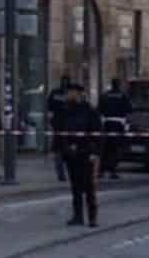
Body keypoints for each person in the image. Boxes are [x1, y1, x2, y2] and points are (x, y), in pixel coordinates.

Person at [59, 83, 102, 227]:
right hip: (72, 154)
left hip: (86, 153)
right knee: (75, 187)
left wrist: (95, 153)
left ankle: (92, 217)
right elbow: (62, 131)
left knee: (89, 187)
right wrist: (64, 149)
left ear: (77, 93)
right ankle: (77, 216)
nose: (67, 96)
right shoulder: (67, 111)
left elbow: (97, 133)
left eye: (69, 93)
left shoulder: (89, 111)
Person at [97, 78, 132, 179]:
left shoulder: (105, 95)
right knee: (116, 149)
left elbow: (99, 109)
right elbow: (129, 109)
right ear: (119, 85)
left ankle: (101, 171)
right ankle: (113, 171)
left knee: (104, 148)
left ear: (111, 85)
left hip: (106, 123)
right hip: (119, 124)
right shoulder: (123, 95)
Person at [47, 75, 71, 182]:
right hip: (68, 126)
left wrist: (52, 122)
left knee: (59, 151)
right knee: (65, 151)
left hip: (59, 125)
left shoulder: (55, 93)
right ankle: (64, 173)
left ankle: (61, 174)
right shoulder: (72, 93)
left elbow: (49, 109)